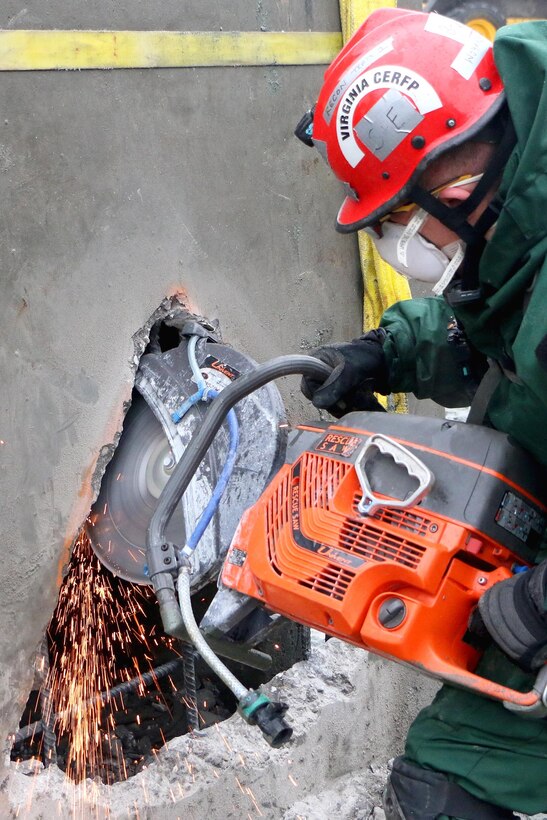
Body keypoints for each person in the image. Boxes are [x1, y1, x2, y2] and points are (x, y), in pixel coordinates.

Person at [296, 8, 547, 819]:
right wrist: (384, 352)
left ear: (454, 173)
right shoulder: (522, 212)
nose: (401, 242)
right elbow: (502, 334)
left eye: (400, 218)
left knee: (452, 788)